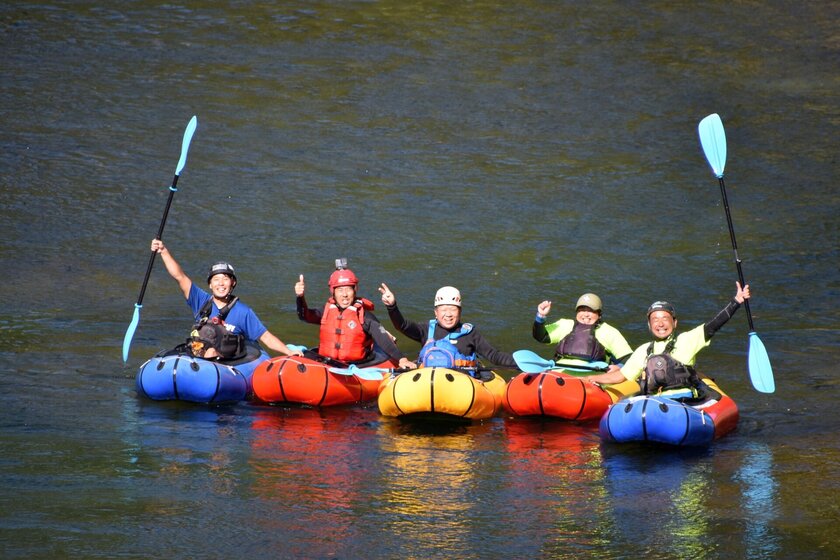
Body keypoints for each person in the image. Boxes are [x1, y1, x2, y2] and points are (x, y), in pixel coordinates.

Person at [583, 282, 752, 399]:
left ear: (674, 322)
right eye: (655, 320)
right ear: (649, 325)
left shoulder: (686, 340)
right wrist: (594, 378)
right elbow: (621, 376)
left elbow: (713, 326)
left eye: (665, 318)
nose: (660, 323)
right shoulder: (644, 350)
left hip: (683, 403)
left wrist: (736, 301)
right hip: (654, 404)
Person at [150, 239, 302, 359]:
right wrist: (163, 251)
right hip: (200, 356)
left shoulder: (243, 312)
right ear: (210, 284)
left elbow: (266, 337)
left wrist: (288, 352)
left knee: (213, 352)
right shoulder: (201, 301)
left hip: (227, 360)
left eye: (225, 279)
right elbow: (179, 276)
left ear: (233, 283)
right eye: (216, 279)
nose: (221, 284)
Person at [295, 260, 416, 369]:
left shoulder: (364, 316)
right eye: (340, 290)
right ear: (333, 292)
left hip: (356, 367)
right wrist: (300, 297)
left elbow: (382, 338)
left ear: (355, 290)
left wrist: (402, 359)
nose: (345, 295)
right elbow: (304, 316)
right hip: (326, 363)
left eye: (348, 289)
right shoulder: (326, 311)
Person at [379, 283, 518, 372]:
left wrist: (518, 363)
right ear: (436, 312)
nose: (448, 314)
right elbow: (402, 326)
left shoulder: (470, 333)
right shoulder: (427, 329)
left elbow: (493, 355)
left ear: (460, 312)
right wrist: (392, 307)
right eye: (443, 309)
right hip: (427, 381)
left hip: (461, 383)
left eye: (453, 309)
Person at [532, 293, 633, 367]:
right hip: (561, 373)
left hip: (593, 377)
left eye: (591, 311)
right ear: (576, 313)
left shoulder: (609, 332)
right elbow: (541, 336)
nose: (585, 314)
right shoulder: (565, 325)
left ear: (599, 314)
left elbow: (628, 359)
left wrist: (618, 368)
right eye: (582, 310)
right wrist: (541, 316)